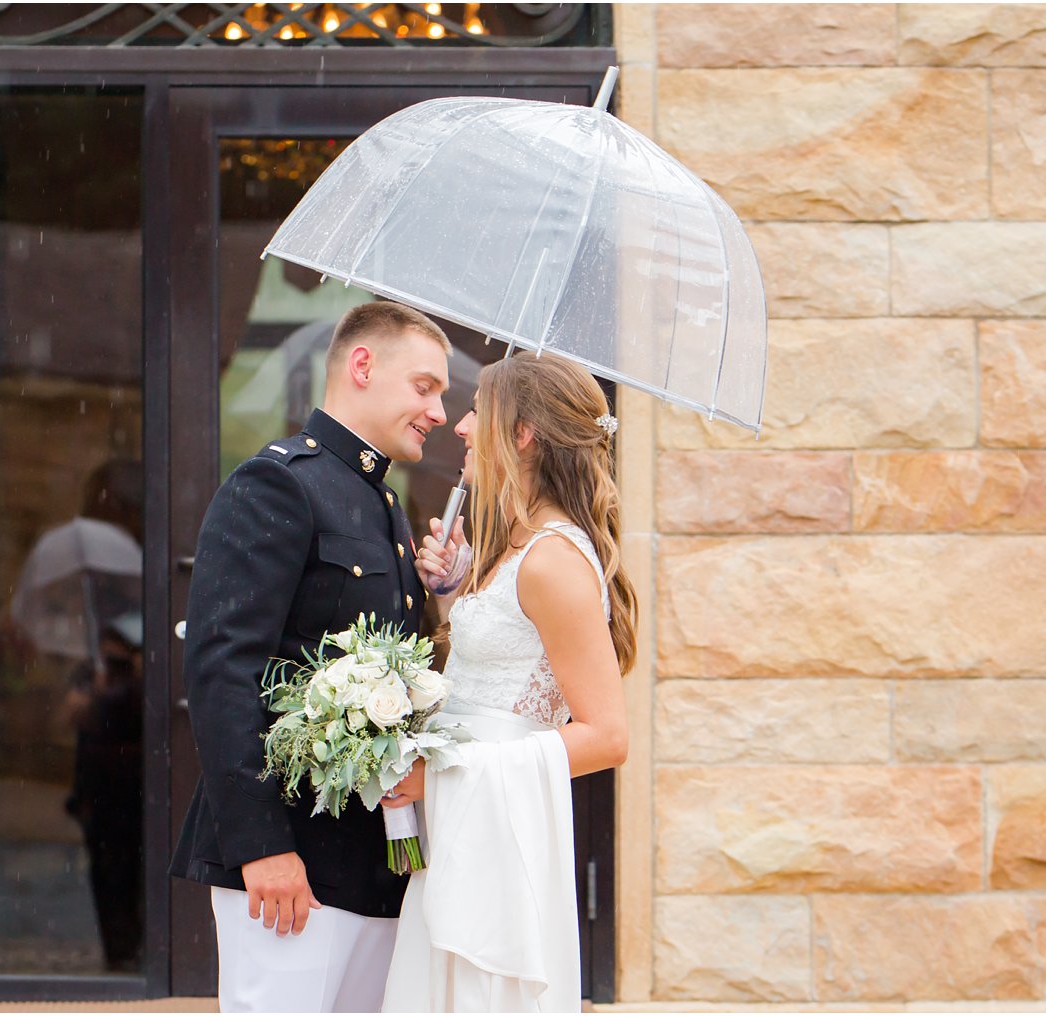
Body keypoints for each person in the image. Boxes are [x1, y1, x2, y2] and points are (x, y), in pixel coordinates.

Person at [168, 301, 452, 1012]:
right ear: (362, 366)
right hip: (289, 860)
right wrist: (260, 845)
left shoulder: (385, 508)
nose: (440, 411)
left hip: (371, 861)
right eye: (425, 387)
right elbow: (224, 669)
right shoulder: (278, 484)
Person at [383, 351, 638, 1012]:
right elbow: (499, 667)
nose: (462, 427)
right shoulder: (513, 547)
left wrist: (442, 772)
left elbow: (607, 737)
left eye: (476, 411)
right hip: (462, 825)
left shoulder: (553, 560)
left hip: (496, 830)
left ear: (522, 434)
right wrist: (454, 592)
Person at [62, 612, 145, 972]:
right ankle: (117, 948)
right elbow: (72, 725)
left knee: (128, 870)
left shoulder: (136, 687)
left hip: (130, 791)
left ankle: (133, 945)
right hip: (98, 793)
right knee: (105, 872)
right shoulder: (91, 682)